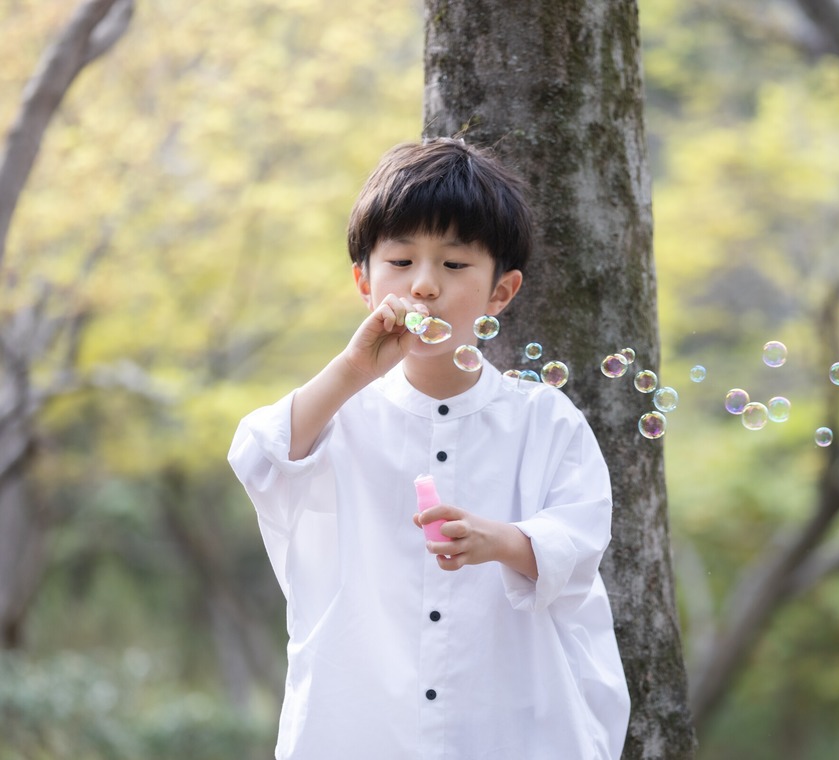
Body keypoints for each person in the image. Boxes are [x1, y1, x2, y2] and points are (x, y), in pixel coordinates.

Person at [227, 138, 630, 759]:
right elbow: (257, 457)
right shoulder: (338, 412)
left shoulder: (544, 418)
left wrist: (501, 541)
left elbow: (578, 540)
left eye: (455, 265)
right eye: (400, 260)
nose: (424, 286)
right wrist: (352, 370)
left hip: (513, 728)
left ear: (502, 291)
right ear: (363, 280)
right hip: (362, 729)